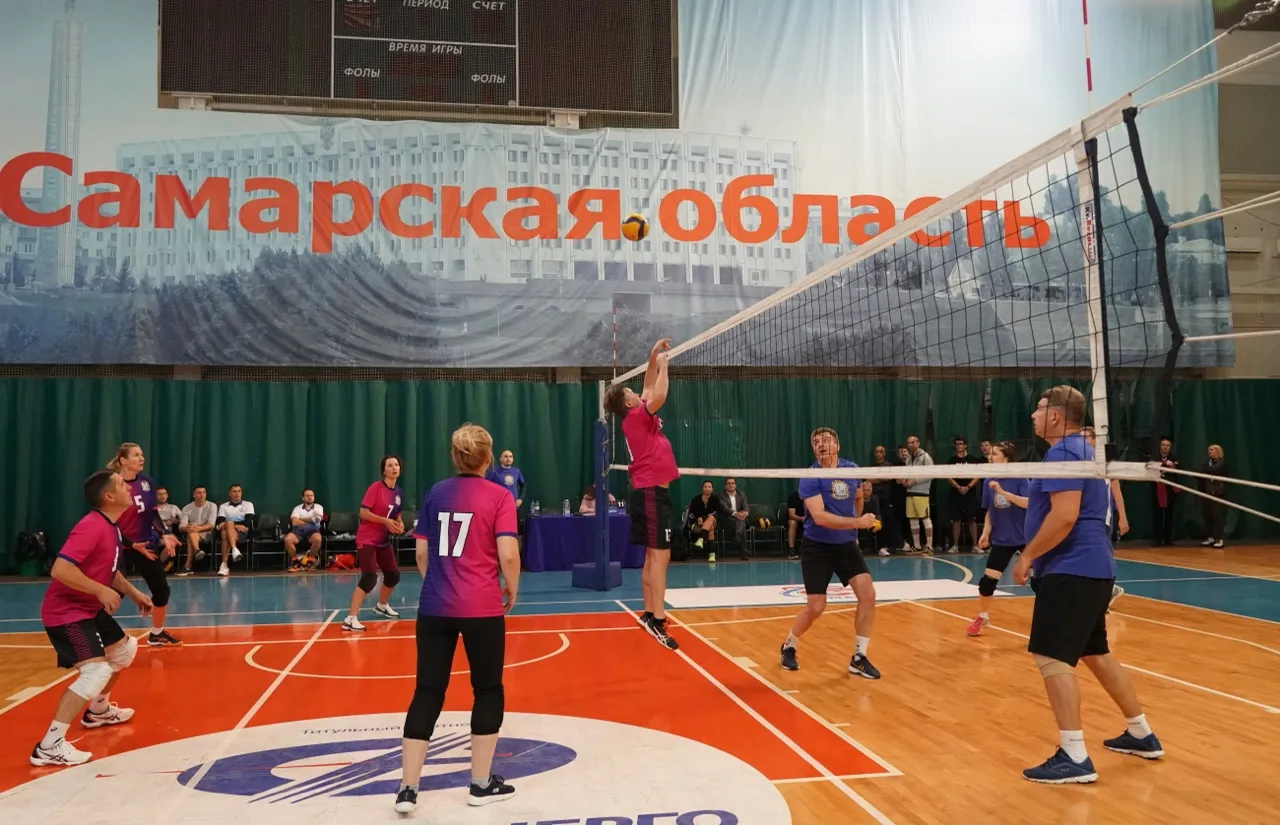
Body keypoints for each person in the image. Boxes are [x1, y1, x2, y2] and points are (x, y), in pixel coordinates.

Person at [1012, 386, 1163, 784]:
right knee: (1095, 652)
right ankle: (1141, 733)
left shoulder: (1064, 452)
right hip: (1094, 566)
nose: (1033, 415)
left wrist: (1027, 556)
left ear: (1056, 416)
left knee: (1051, 656)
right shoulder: (1085, 451)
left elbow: (1065, 516)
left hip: (1072, 568)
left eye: (1039, 409)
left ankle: (1074, 754)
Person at [395, 423, 521, 814]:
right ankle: (479, 784)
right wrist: (511, 588)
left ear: (455, 456)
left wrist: (438, 582)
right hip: (482, 606)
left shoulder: (435, 493)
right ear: (488, 457)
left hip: (434, 607)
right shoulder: (500, 496)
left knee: (427, 691)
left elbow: (421, 554)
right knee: (487, 690)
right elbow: (508, 555)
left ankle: (407, 789)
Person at [31, 469, 154, 766]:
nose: (129, 488)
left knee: (124, 651)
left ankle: (98, 712)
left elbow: (109, 569)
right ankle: (49, 746)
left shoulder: (111, 526)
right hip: (66, 613)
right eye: (122, 485)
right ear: (109, 496)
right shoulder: (91, 526)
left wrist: (134, 593)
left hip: (87, 609)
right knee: (96, 671)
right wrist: (99, 590)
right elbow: (60, 569)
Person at [780, 427, 882, 678]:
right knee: (816, 607)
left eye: (826, 440)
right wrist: (858, 523)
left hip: (846, 545)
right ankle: (789, 645)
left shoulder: (851, 469)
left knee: (868, 594)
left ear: (837, 445)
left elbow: (858, 496)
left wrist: (854, 528)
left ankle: (859, 657)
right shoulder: (810, 476)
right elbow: (820, 517)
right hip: (817, 547)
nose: (821, 444)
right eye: (816, 442)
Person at [602, 338, 680, 650]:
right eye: (631, 393)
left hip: (648, 492)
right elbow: (658, 393)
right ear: (629, 404)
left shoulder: (636, 415)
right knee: (660, 557)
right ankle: (658, 619)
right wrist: (665, 365)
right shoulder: (636, 417)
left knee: (653, 556)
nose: (637, 392)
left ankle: (649, 613)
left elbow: (648, 387)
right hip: (650, 493)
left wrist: (652, 356)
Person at [107, 443, 181, 646]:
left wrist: (165, 533)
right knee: (114, 593)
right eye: (136, 455)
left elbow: (152, 513)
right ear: (123, 460)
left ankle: (157, 633)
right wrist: (131, 544)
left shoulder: (147, 483)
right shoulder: (112, 484)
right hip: (117, 545)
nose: (142, 458)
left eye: (142, 454)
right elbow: (107, 522)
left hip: (143, 545)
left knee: (161, 589)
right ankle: (92, 634)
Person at [966, 441, 1028, 636]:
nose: (989, 457)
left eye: (994, 454)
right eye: (990, 454)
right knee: (987, 582)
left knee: (1041, 582)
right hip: (1002, 539)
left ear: (1006, 459)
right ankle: (983, 616)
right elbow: (990, 511)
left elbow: (1029, 503)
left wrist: (1003, 492)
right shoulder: (988, 481)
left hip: (1027, 537)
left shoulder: (1020, 478)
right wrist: (986, 532)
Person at [343, 455, 405, 632]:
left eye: (396, 465)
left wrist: (400, 524)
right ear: (384, 470)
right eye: (390, 465)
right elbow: (363, 513)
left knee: (393, 575)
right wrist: (385, 521)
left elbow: (397, 515)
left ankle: (382, 605)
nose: (394, 468)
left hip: (383, 540)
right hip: (367, 539)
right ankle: (350, 618)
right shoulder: (375, 488)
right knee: (369, 577)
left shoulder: (398, 493)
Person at [1082, 425, 1129, 608]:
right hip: (1084, 517)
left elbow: (1116, 491)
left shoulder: (1105, 462)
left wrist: (1123, 517)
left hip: (1103, 518)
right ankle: (1105, 590)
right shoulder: (1078, 461)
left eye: (1086, 437)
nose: (1083, 441)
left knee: (1103, 555)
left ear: (1095, 440)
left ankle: (1107, 591)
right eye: (1080, 438)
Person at [687, 480, 722, 558]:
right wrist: (697, 519)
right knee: (710, 528)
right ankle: (712, 554)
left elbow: (717, 512)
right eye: (705, 487)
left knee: (711, 518)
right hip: (698, 524)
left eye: (709, 487)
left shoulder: (715, 499)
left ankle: (701, 538)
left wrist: (707, 517)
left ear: (712, 489)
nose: (707, 489)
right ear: (702, 488)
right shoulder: (696, 499)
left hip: (713, 520)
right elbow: (691, 514)